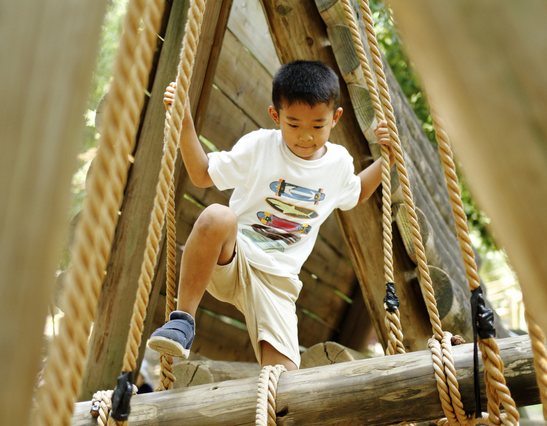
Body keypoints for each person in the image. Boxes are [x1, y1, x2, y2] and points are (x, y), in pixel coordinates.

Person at [148, 60, 392, 371]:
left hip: (279, 281)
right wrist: (184, 124)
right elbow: (201, 174)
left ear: (335, 118)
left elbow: (358, 193)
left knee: (287, 382)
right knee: (217, 216)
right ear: (275, 116)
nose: (305, 137)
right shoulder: (260, 146)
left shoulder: (339, 164)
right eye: (293, 124)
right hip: (236, 257)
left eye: (318, 126)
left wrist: (390, 157)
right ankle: (182, 321)